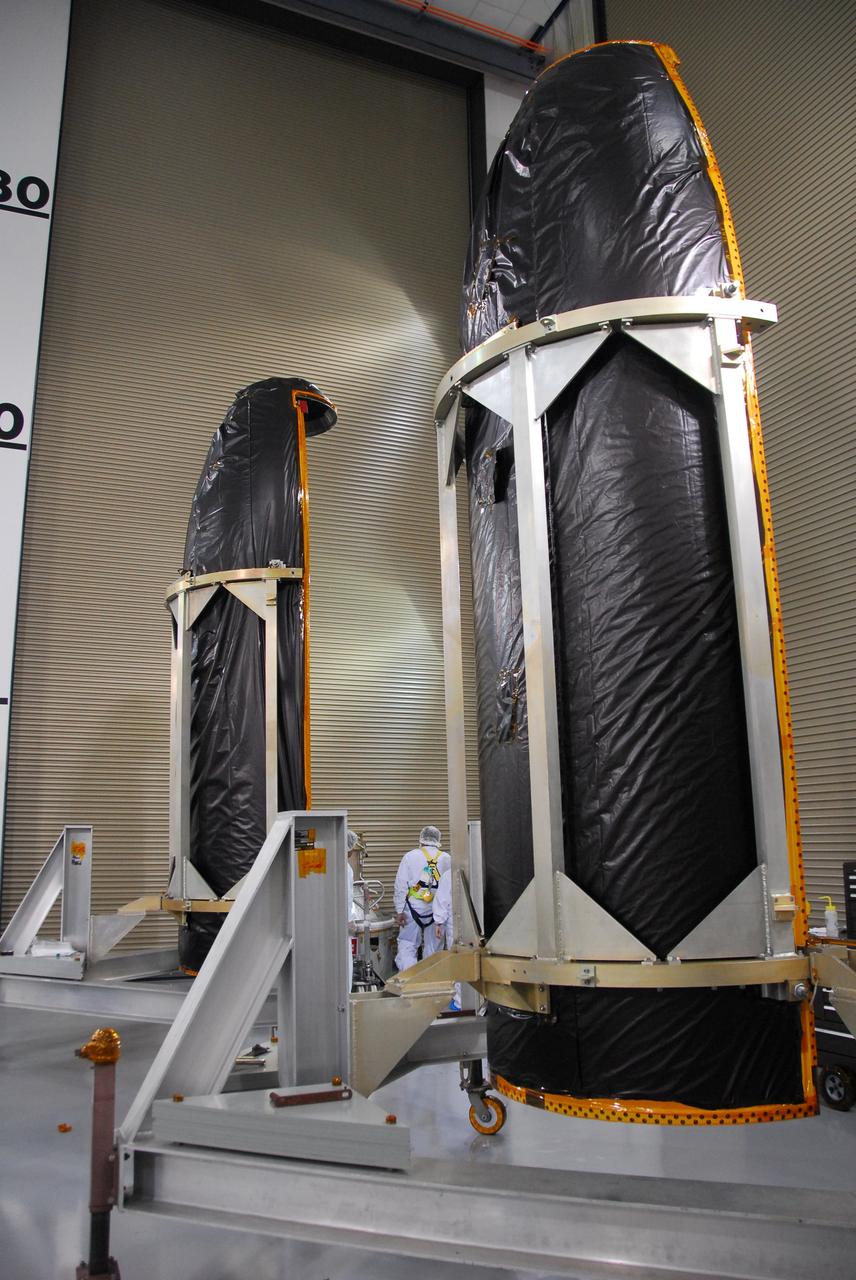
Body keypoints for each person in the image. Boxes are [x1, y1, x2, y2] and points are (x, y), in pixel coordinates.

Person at [393, 825, 450, 971]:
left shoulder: (410, 857)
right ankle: (429, 985)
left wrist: (400, 910)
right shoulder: (446, 859)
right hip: (438, 913)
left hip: (412, 910)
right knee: (434, 950)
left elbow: (400, 886)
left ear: (421, 839)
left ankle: (408, 982)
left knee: (407, 945)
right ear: (438, 840)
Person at [434, 869, 461, 1011]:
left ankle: (460, 1002)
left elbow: (442, 900)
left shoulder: (450, 874)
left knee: (459, 964)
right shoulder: (481, 868)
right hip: (480, 925)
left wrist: (438, 922)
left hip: (455, 925)